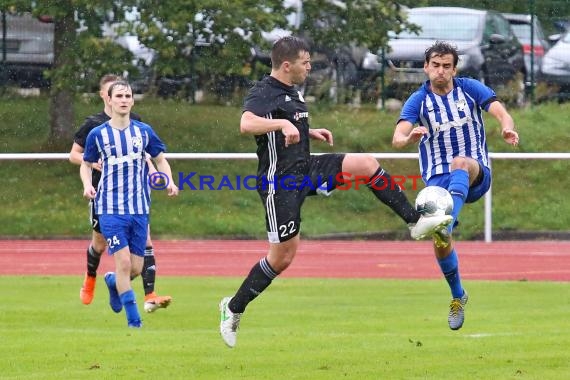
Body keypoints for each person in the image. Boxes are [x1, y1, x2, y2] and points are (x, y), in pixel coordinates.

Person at [218, 36, 452, 348]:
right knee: (283, 257)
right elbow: (247, 124)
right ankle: (233, 307)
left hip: (306, 168)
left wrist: (305, 131)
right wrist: (282, 127)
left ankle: (414, 221)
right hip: (280, 183)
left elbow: (284, 124)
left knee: (367, 164)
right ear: (287, 65)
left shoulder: (291, 91)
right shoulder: (265, 90)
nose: (309, 66)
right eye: (305, 62)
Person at [392, 41, 519, 330]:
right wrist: (408, 138)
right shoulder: (418, 101)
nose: (440, 71)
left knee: (461, 162)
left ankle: (446, 222)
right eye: (435, 65)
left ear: (454, 68)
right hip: (438, 182)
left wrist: (506, 127)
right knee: (441, 244)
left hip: (474, 172)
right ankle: (458, 295)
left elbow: (500, 111)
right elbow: (397, 136)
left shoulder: (469, 88)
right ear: (426, 67)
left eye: (446, 66)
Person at [70, 74, 172, 313]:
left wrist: (156, 174)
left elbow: (147, 155)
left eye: (127, 95)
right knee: (99, 243)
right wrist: (92, 167)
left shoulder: (136, 124)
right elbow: (75, 155)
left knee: (143, 242)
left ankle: (149, 295)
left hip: (134, 197)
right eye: (116, 94)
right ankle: (92, 277)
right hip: (103, 194)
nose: (122, 99)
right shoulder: (93, 126)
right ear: (105, 96)